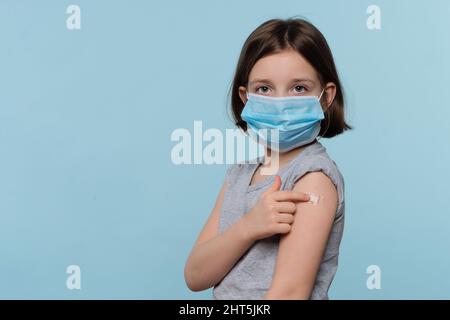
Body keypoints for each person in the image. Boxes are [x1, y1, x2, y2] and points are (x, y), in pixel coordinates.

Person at [184, 17, 351, 300]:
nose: (280, 102)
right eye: (264, 89)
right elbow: (196, 275)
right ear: (246, 97)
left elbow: (289, 293)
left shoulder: (312, 180)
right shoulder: (239, 175)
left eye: (299, 88)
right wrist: (249, 227)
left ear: (325, 97)